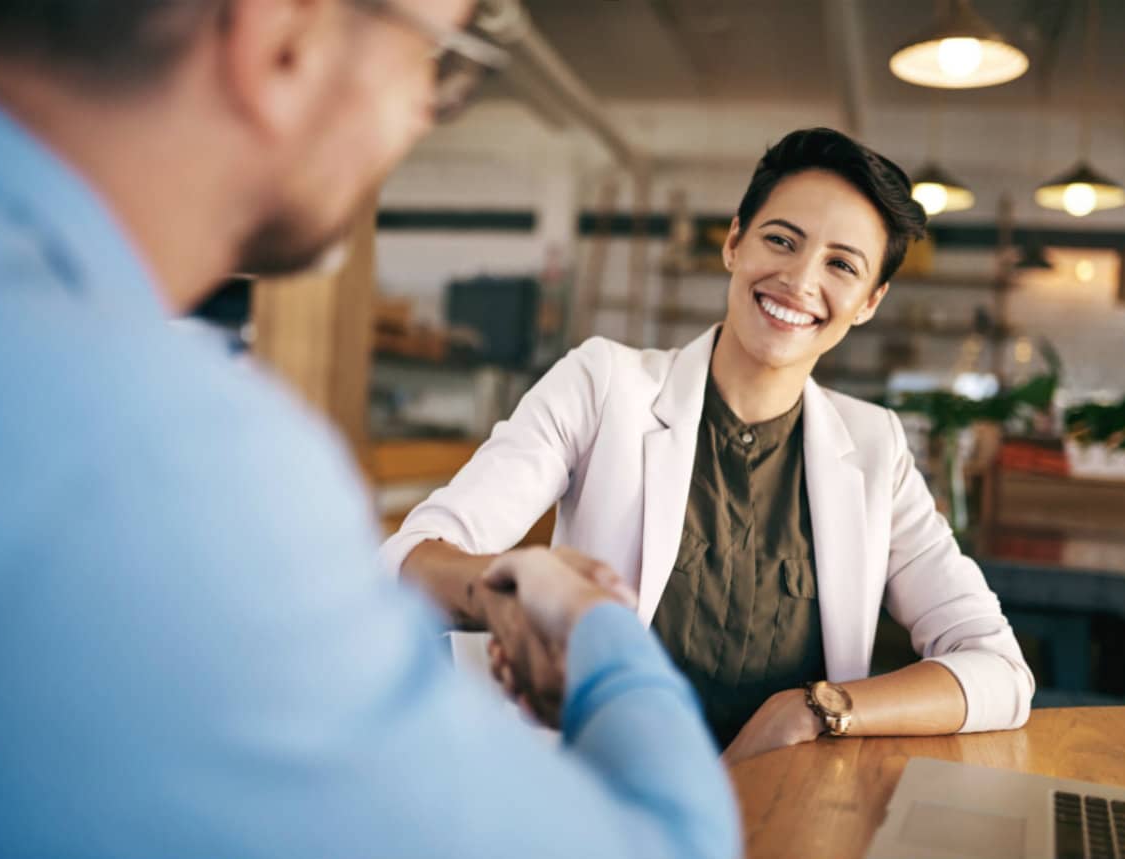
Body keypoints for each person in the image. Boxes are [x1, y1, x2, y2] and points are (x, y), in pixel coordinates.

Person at [0, 1, 739, 857]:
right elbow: (672, 844)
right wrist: (597, 628)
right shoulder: (163, 463)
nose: (422, 116)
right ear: (281, 36)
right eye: (439, 63)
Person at [384, 127, 1036, 762]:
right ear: (733, 241)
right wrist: (509, 586)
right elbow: (409, 558)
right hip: (601, 792)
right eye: (782, 239)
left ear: (869, 302)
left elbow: (1000, 669)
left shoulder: (874, 448)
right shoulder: (604, 383)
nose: (800, 280)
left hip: (789, 813)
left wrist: (816, 708)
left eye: (841, 264)